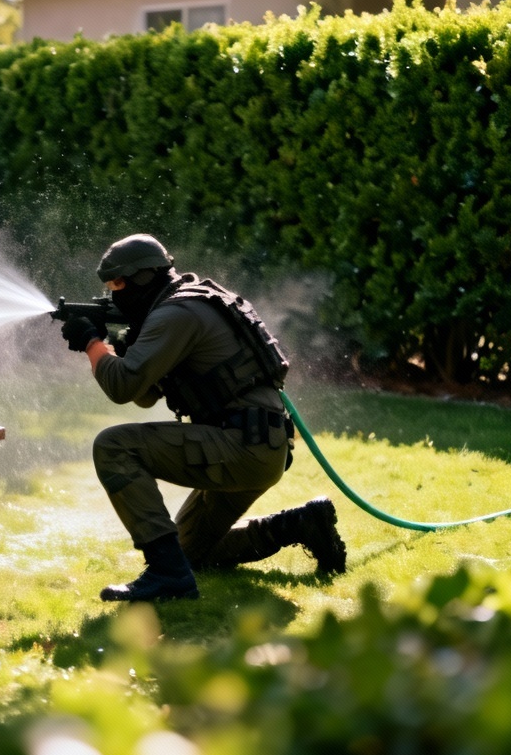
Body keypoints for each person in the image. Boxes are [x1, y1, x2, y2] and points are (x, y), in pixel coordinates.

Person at [60, 233, 347, 603]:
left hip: (241, 446)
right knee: (190, 552)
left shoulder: (174, 315)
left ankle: (166, 576)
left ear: (144, 277)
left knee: (113, 447)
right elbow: (146, 396)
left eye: (118, 284)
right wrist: (117, 345)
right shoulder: (185, 304)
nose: (113, 294)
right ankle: (298, 525)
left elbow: (123, 386)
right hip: (259, 445)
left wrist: (91, 342)